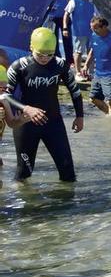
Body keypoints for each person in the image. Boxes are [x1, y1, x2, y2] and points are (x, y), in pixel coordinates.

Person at [7, 28, 85, 182]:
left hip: (53, 122)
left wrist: (80, 116)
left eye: (49, 54)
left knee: (68, 172)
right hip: (26, 124)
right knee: (24, 173)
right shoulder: (19, 66)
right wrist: (26, 108)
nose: (45, 58)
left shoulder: (60, 65)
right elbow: (4, 95)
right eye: (40, 55)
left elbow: (75, 92)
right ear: (31, 48)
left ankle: (67, 204)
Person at [63, 0, 98, 79]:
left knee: (91, 52)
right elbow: (66, 14)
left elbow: (97, 17)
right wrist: (65, 28)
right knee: (78, 52)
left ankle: (90, 73)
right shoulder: (74, 2)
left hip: (91, 33)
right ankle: (78, 73)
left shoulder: (91, 4)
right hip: (78, 31)